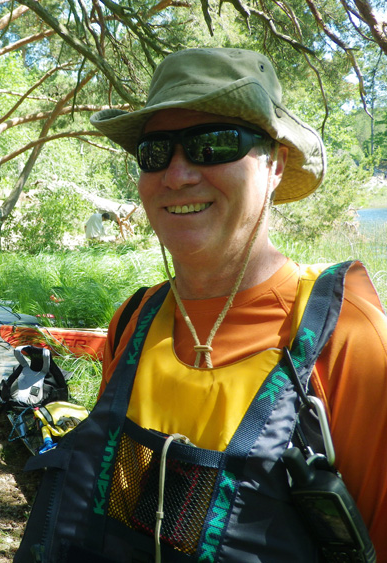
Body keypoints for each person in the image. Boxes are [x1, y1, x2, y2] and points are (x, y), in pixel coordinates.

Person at [89, 47, 387, 561]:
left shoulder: (345, 337)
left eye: (214, 144)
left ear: (275, 164)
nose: (177, 175)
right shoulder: (133, 321)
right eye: (155, 152)